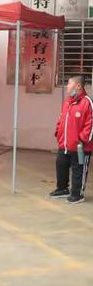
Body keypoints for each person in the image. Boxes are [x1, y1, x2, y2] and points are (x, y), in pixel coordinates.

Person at [50, 75, 93, 204]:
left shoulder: (87, 102)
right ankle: (62, 189)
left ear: (78, 86)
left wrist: (81, 140)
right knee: (61, 165)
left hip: (81, 147)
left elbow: (90, 125)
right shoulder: (67, 102)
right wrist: (58, 133)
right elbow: (61, 119)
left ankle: (77, 194)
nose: (67, 87)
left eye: (69, 84)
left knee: (78, 170)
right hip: (64, 144)